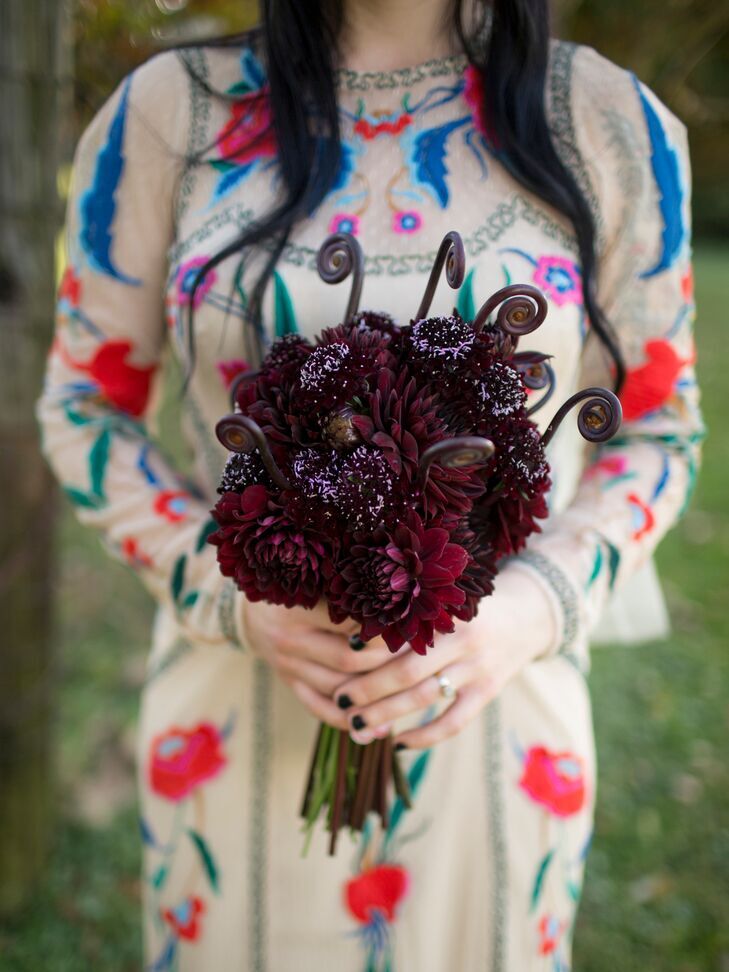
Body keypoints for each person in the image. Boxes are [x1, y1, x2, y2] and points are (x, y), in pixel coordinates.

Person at [36, 0, 703, 968]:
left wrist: (526, 609)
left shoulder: (607, 123)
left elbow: (660, 429)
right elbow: (83, 407)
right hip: (237, 710)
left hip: (499, 720)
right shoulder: (170, 113)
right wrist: (227, 595)